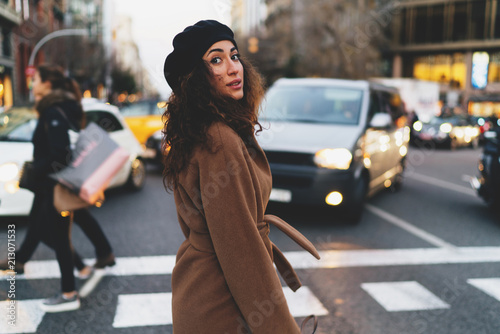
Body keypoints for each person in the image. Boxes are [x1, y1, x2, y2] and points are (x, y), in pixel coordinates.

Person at [162, 20, 320, 333]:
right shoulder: (219, 140)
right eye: (216, 60)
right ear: (195, 78)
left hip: (201, 291)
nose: (234, 68)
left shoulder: (203, 129)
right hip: (221, 306)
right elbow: (242, 251)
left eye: (234, 56)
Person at [21, 64, 114, 312]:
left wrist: (34, 170)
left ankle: (69, 293)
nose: (32, 83)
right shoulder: (63, 107)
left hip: (54, 184)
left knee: (57, 237)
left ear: (48, 84)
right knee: (55, 234)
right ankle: (80, 270)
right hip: (54, 184)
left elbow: (59, 153)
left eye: (36, 79)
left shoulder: (53, 111)